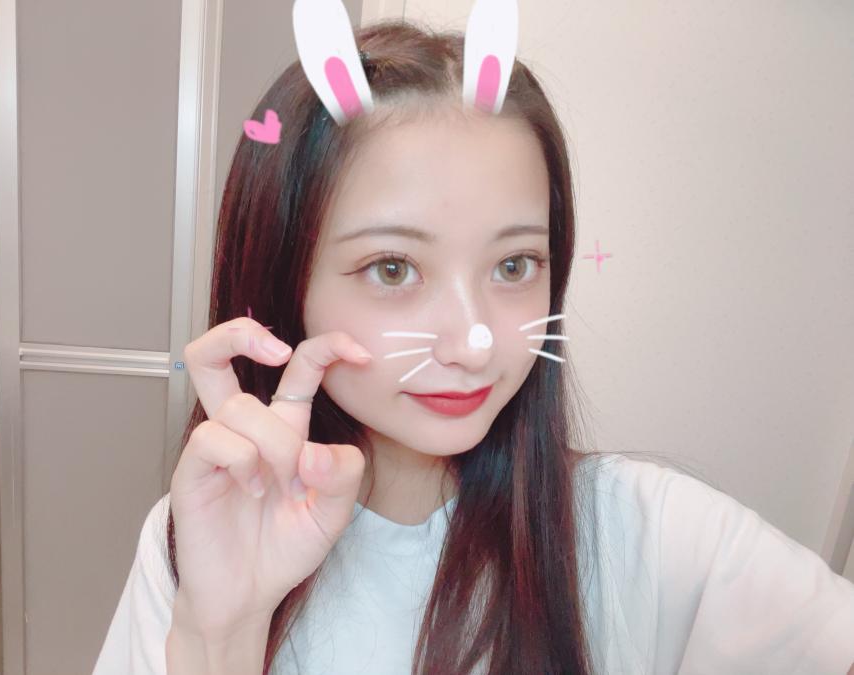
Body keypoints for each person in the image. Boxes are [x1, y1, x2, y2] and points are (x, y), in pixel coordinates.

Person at [92, 8, 854, 675]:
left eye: (514, 265)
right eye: (393, 268)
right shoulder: (202, 532)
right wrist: (220, 635)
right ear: (285, 278)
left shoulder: (645, 530)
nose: (473, 342)